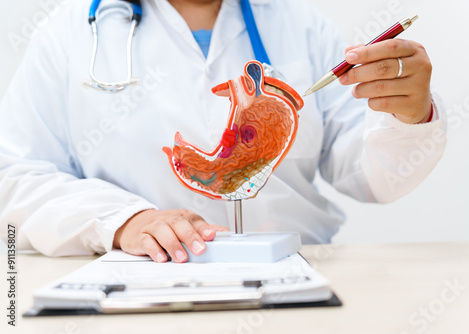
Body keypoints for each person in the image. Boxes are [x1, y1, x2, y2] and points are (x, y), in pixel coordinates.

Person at [0, 0, 445, 263]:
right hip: (141, 288)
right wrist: (122, 221)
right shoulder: (69, 32)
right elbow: (17, 175)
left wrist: (407, 114)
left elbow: (373, 178)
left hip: (292, 286)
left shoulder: (300, 24)